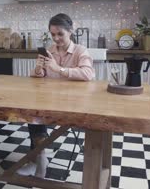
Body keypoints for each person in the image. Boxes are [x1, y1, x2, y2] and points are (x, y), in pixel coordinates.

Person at [17, 13, 95, 178]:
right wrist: (39, 69)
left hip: (72, 104)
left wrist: (58, 69)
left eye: (60, 34)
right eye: (53, 34)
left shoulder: (80, 51)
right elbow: (39, 75)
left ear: (70, 31)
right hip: (49, 101)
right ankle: (39, 159)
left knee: (36, 115)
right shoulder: (49, 50)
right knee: (33, 113)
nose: (56, 38)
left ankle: (38, 159)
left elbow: (88, 74)